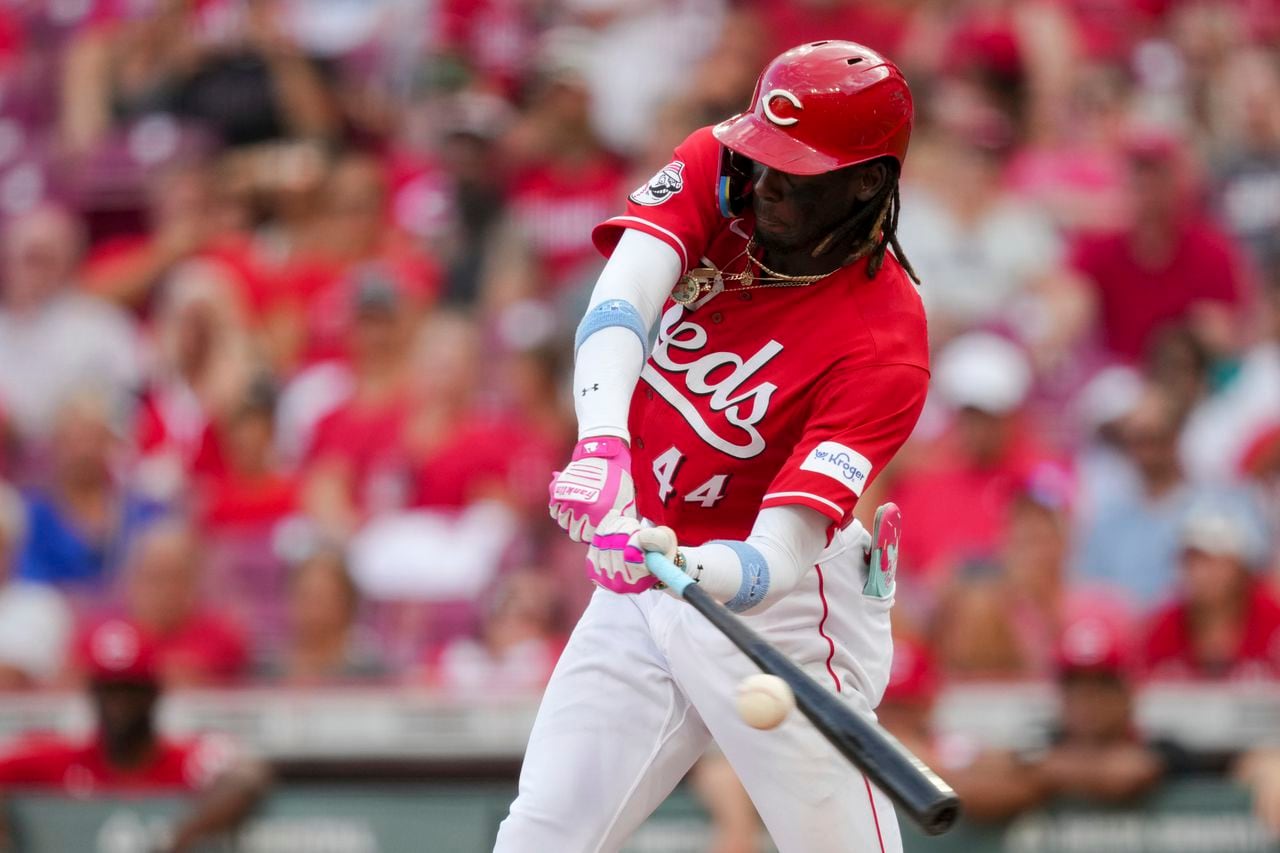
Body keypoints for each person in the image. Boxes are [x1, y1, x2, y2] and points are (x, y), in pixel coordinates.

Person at [496, 41, 929, 852]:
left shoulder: (886, 346)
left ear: (866, 181)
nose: (761, 182)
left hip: (786, 616)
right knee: (542, 834)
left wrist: (687, 565)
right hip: (641, 575)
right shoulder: (723, 166)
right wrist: (601, 445)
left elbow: (780, 555)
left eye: (793, 172)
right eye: (762, 154)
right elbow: (618, 303)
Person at [0, 619, 270, 853]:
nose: (119, 704)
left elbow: (247, 775)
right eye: (109, 690)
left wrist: (179, 838)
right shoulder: (64, 760)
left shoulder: (184, 760)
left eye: (131, 689)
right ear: (92, 693)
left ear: (154, 692)